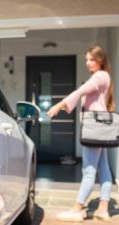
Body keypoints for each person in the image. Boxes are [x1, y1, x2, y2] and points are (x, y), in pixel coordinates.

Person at [47, 45, 115, 222]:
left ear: (100, 60)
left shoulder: (100, 76)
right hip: (100, 129)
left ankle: (78, 209)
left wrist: (59, 105)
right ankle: (103, 209)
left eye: (91, 59)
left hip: (94, 129)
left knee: (88, 171)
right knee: (104, 169)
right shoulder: (104, 77)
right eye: (87, 59)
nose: (88, 62)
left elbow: (80, 91)